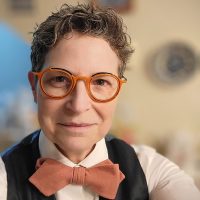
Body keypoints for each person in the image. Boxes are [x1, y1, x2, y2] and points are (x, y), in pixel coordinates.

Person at [0, 2, 200, 200]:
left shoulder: (152, 171)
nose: (78, 106)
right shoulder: (4, 177)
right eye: (60, 79)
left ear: (118, 90)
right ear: (35, 86)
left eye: (100, 81)